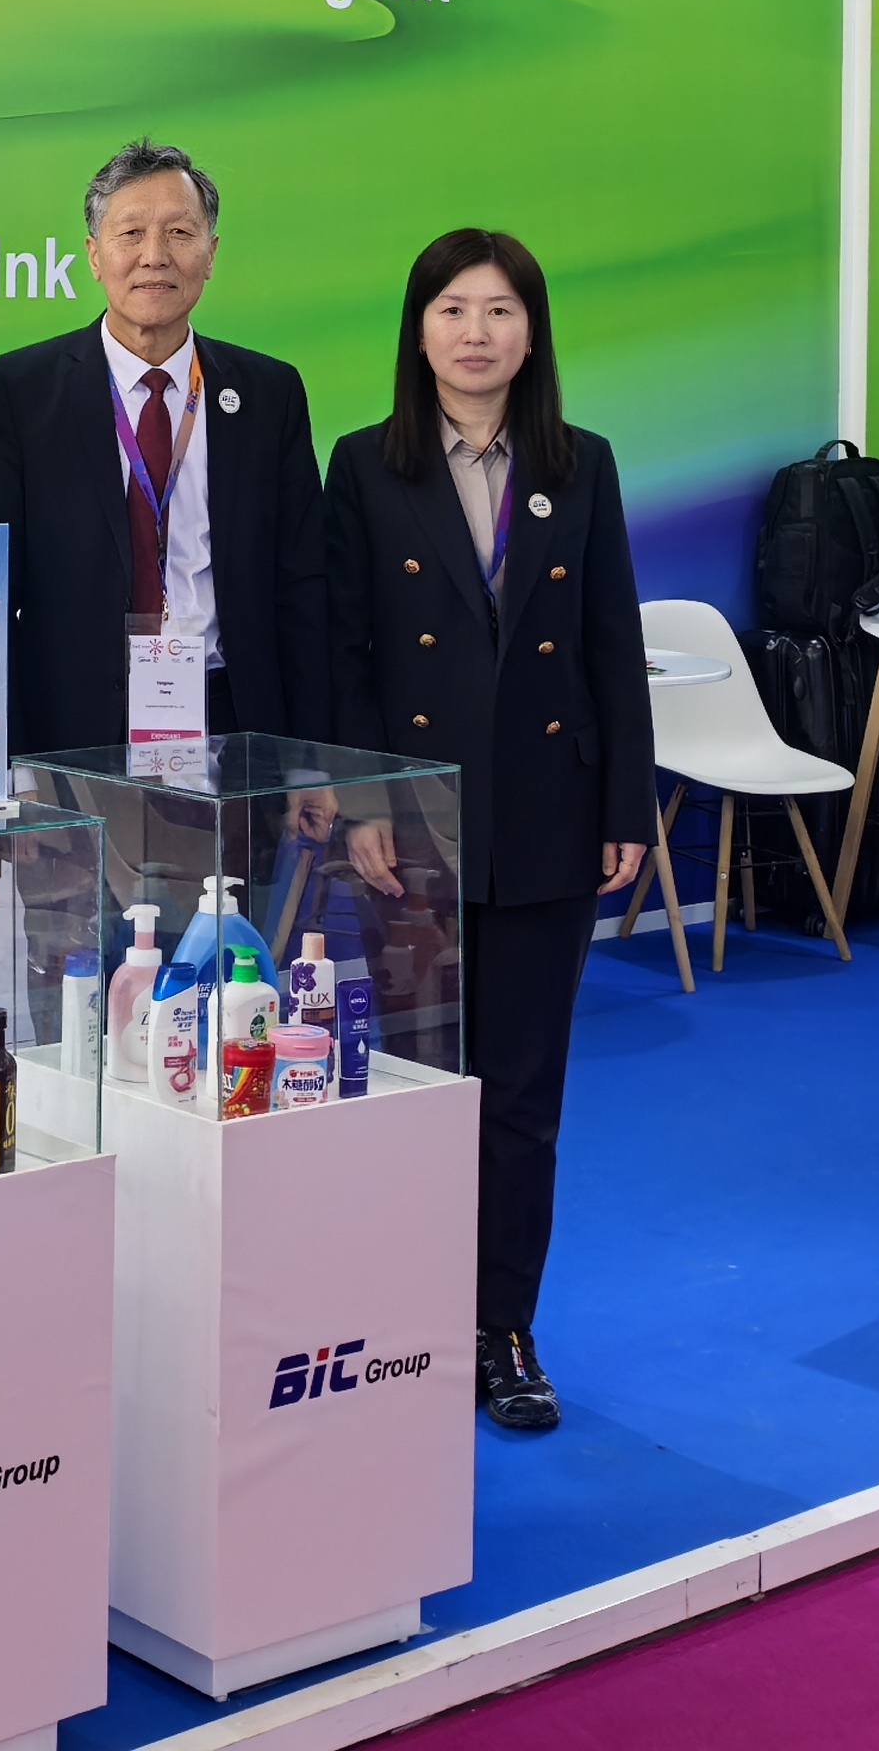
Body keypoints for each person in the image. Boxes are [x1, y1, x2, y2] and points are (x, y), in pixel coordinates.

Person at [323, 226, 652, 1436]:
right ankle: (404, 1322)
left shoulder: (581, 463)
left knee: (521, 1098)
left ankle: (504, 1330)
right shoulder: (365, 466)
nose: (476, 331)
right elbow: (345, 655)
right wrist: (362, 801)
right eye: (453, 308)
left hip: (549, 822)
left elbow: (611, 639)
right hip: (412, 829)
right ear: (418, 332)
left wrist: (624, 806)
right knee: (415, 1087)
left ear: (531, 332)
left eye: (500, 310)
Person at [0, 140, 326, 757]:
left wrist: (309, 761)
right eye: (130, 233)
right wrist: (11, 760)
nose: (154, 256)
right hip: (72, 727)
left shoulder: (269, 393)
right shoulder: (19, 392)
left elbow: (303, 589)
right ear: (94, 255)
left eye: (179, 232)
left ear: (211, 254)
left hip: (233, 716)